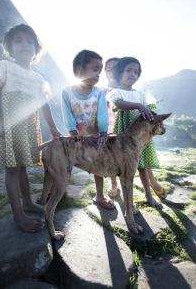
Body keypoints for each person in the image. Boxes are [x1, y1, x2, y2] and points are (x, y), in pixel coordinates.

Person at [0, 24, 62, 232]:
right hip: (9, 125)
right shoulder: (4, 67)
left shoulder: (38, 79)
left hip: (27, 128)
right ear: (9, 47)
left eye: (29, 41)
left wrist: (53, 127)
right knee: (12, 169)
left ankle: (27, 202)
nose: (24, 44)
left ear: (37, 49)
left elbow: (43, 104)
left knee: (23, 167)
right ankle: (18, 216)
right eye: (18, 40)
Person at [106, 57, 167, 209]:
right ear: (119, 73)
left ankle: (148, 195)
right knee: (125, 167)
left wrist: (158, 120)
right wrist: (138, 106)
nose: (133, 74)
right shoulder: (116, 92)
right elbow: (119, 104)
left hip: (142, 135)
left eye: (136, 72)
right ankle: (128, 201)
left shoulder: (142, 94)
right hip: (125, 132)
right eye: (128, 70)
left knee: (142, 165)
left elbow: (151, 112)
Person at [61, 49, 116, 209]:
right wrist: (72, 133)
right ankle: (55, 191)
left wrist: (103, 134)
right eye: (94, 69)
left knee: (98, 165)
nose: (98, 74)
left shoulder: (99, 92)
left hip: (96, 137)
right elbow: (67, 113)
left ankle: (99, 196)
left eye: (99, 71)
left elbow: (102, 113)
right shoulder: (67, 91)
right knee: (66, 164)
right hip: (77, 137)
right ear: (79, 69)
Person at [103, 57, 121, 197]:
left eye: (116, 68)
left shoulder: (125, 90)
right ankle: (113, 182)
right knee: (110, 158)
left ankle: (125, 182)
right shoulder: (102, 90)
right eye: (109, 69)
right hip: (109, 129)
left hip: (124, 130)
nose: (112, 71)